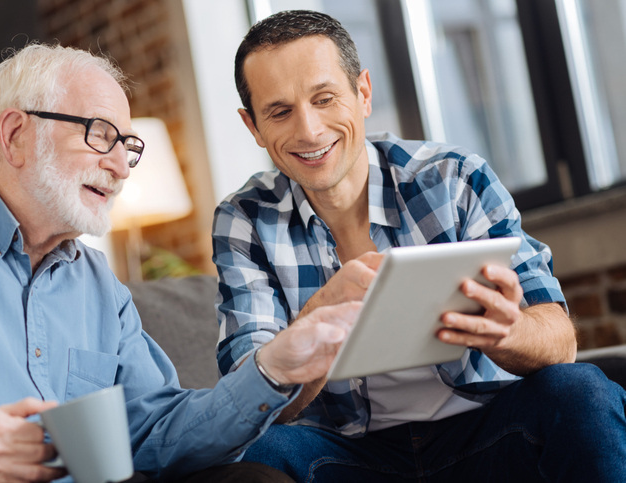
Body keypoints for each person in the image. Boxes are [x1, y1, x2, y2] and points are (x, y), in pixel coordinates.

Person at [0, 42, 363, 483]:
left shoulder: (96, 281)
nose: (122, 166)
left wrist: (273, 369)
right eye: (101, 134)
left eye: (127, 145)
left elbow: (158, 432)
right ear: (15, 134)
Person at [212, 9, 626, 482]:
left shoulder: (453, 178)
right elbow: (247, 404)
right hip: (350, 455)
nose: (308, 130)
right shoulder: (244, 219)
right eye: (280, 112)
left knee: (580, 390)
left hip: (487, 430)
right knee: (257, 451)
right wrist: (319, 323)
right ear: (253, 127)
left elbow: (559, 339)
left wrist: (508, 334)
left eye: (324, 98)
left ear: (362, 93)